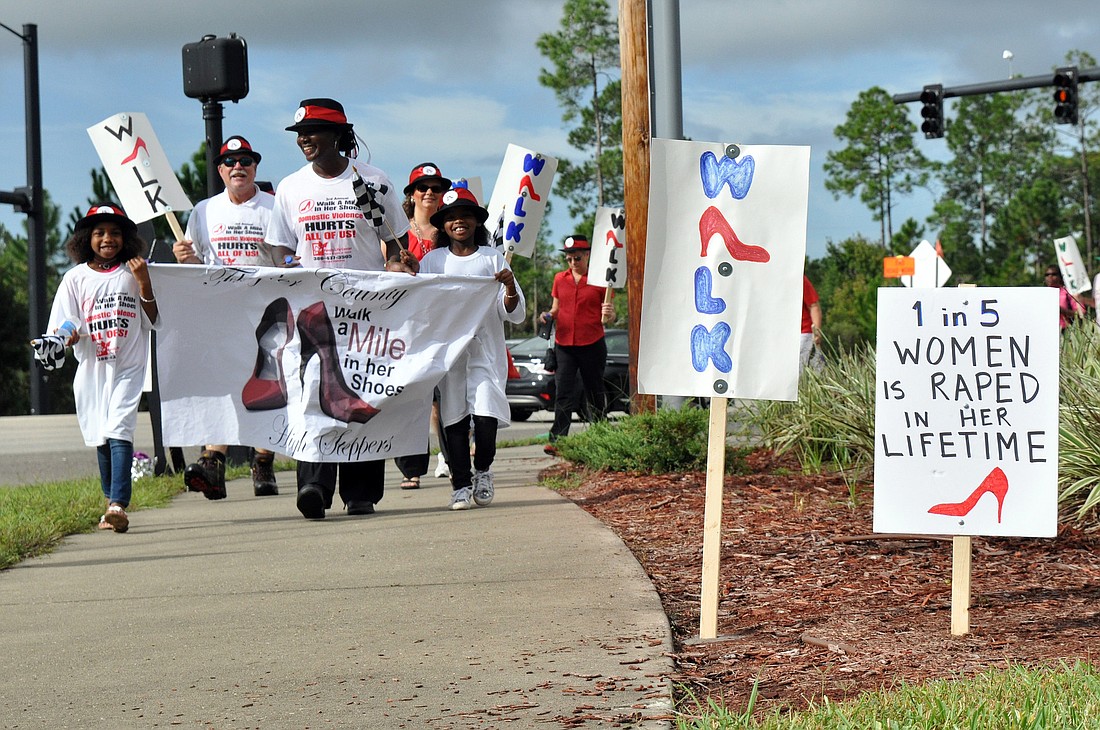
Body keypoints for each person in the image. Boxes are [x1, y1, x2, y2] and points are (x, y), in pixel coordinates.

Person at [266, 98, 413, 520]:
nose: (304, 140)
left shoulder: (374, 180)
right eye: (299, 134)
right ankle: (314, 484)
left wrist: (397, 263)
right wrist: (285, 267)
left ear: (338, 135)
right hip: (311, 308)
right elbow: (278, 248)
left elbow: (398, 245)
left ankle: (360, 491)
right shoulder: (292, 188)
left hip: (365, 311)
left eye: (312, 132)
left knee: (362, 394)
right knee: (312, 392)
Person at [172, 135, 280, 499]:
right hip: (219, 311)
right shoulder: (203, 211)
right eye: (230, 161)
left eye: (246, 160)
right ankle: (212, 462)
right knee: (220, 384)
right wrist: (185, 260)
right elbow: (196, 261)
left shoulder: (274, 207)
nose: (238, 166)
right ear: (220, 170)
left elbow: (291, 257)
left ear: (255, 167)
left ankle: (262, 461)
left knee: (267, 385)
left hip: (265, 309)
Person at [47, 204, 159, 533]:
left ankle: (118, 504)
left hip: (127, 365)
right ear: (86, 239)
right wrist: (64, 337)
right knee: (100, 433)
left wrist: (144, 282)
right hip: (93, 368)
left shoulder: (135, 272)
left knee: (119, 429)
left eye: (114, 232)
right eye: (99, 233)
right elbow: (65, 324)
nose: (107, 239)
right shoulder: (75, 278)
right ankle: (110, 503)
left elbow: (154, 319)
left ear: (126, 238)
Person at [419, 187, 526, 510]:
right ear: (444, 225)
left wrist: (508, 286)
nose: (458, 223)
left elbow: (514, 313)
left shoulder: (492, 259)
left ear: (476, 222)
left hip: (485, 354)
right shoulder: (433, 261)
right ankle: (460, 485)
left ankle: (483, 471)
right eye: (450, 218)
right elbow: (421, 304)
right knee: (453, 421)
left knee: (485, 417)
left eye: (464, 216)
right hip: (450, 357)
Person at [395, 163, 453, 487]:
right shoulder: (396, 233)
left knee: (447, 399)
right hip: (408, 326)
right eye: (423, 187)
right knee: (412, 398)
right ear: (412, 194)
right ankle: (411, 468)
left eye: (436, 187)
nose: (429, 192)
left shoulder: (450, 232)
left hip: (444, 324)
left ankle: (454, 459)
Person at [541, 235, 614, 455]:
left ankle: (602, 436)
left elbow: (610, 314)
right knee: (563, 392)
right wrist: (546, 315)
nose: (573, 263)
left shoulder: (601, 280)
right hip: (565, 344)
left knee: (594, 391)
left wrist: (609, 314)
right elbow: (555, 308)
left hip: (592, 342)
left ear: (588, 256)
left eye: (578, 258)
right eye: (569, 259)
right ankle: (557, 440)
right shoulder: (559, 279)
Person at [1045, 266, 1084, 331]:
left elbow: (1081, 313)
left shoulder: (1068, 292)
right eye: (1047, 274)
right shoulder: (1042, 293)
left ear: (1060, 276)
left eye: (1054, 274)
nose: (1050, 276)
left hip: (1066, 330)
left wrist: (1063, 311)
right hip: (1047, 329)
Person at [799, 275, 825, 374]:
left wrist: (816, 332)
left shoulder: (798, 277)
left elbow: (814, 305)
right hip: (779, 334)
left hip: (803, 333)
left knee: (797, 374)